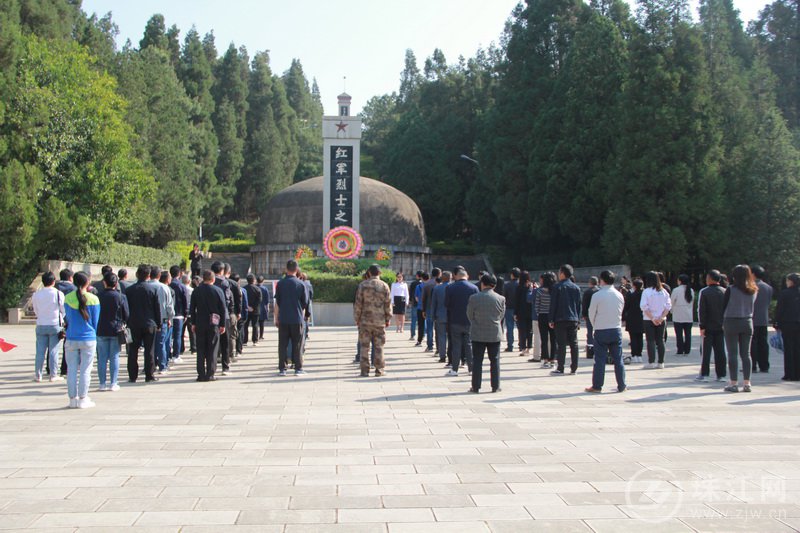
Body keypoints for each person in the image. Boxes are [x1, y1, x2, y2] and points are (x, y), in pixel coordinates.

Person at [585, 270, 626, 393]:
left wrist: (595, 325)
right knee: (618, 359)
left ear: (602, 280)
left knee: (600, 360)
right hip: (616, 329)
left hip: (601, 329)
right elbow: (621, 311)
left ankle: (597, 385)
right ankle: (622, 385)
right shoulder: (619, 295)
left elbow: (591, 313)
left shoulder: (597, 295)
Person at [63, 272, 100, 409]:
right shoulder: (94, 299)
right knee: (86, 370)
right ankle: (83, 398)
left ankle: (72, 399)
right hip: (88, 337)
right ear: (87, 282)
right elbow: (95, 321)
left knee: (71, 369)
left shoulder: (67, 298)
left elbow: (66, 318)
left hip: (71, 337)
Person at [467, 273, 505, 393]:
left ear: (482, 284)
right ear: (494, 285)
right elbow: (501, 316)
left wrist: (476, 322)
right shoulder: (501, 298)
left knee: (477, 360)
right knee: (495, 360)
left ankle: (476, 386)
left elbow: (469, 315)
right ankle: (495, 386)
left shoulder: (474, 298)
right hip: (494, 332)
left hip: (478, 332)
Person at [723, 264, 758, 393]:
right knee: (746, 354)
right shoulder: (753, 290)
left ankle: (733, 383)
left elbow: (724, 306)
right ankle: (747, 383)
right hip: (747, 321)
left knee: (732, 353)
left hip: (731, 321)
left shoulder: (730, 289)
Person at [125, 264, 162, 383]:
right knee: (149, 350)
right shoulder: (153, 289)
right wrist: (159, 323)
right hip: (149, 324)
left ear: (137, 274)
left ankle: (132, 375)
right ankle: (149, 375)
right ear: (149, 276)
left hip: (133, 323)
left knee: (133, 350)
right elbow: (157, 308)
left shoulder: (129, 290)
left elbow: (126, 308)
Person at [354, 264, 392, 377]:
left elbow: (358, 303)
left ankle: (364, 370)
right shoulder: (384, 286)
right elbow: (388, 304)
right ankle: (379, 370)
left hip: (365, 321)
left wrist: (357, 318)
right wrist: (388, 318)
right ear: (380, 273)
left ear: (369, 273)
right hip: (379, 321)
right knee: (379, 346)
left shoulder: (362, 285)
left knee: (364, 346)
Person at [191, 269, 228, 382]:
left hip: (200, 322)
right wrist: (223, 324)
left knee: (201, 348)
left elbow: (192, 308)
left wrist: (193, 323)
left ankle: (201, 373)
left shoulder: (196, 291)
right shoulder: (218, 290)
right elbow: (222, 308)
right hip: (214, 323)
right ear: (213, 279)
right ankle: (210, 373)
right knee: (212, 348)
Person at [274, 260, 309, 376]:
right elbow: (305, 304)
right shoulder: (301, 284)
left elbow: (277, 303)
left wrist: (276, 318)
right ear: (297, 269)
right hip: (297, 318)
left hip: (283, 318)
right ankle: (298, 368)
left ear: (286, 269)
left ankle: (282, 369)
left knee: (282, 344)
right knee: (297, 344)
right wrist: (302, 318)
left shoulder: (280, 284)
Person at [96, 272, 129, 392]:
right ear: (116, 283)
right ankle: (113, 382)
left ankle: (102, 383)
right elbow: (126, 314)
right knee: (114, 356)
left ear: (104, 282)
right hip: (116, 329)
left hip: (101, 329)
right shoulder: (121, 296)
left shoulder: (98, 296)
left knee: (102, 358)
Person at [445, 266, 479, 376]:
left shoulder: (450, 288)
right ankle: (471, 368)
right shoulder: (474, 288)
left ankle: (455, 369)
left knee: (456, 345)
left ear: (456, 276)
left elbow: (446, 304)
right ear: (467, 276)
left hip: (454, 320)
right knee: (469, 345)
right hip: (469, 321)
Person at [31, 271, 65, 383]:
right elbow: (62, 310)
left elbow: (35, 310)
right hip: (54, 324)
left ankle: (38, 375)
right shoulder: (58, 293)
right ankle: (53, 374)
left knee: (40, 351)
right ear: (53, 281)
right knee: (53, 351)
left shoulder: (36, 294)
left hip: (41, 324)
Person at [549, 264, 582, 375]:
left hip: (560, 318)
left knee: (561, 344)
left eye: (559, 272)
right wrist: (578, 320)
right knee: (574, 344)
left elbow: (553, 305)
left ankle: (561, 367)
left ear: (563, 273)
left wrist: (551, 319)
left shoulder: (557, 287)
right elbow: (578, 305)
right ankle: (574, 368)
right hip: (573, 318)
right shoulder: (576, 288)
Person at [696, 270, 727, 382]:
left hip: (708, 327)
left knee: (706, 351)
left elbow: (702, 310)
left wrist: (701, 326)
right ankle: (721, 374)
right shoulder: (725, 291)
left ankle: (704, 374)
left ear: (710, 279)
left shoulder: (704, 292)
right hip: (721, 326)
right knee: (720, 351)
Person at [640, 271, 672, 369]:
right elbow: (668, 305)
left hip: (649, 319)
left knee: (650, 341)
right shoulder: (663, 291)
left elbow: (643, 306)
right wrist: (662, 317)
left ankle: (651, 362)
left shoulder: (647, 291)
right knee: (660, 340)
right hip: (661, 319)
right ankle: (661, 362)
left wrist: (653, 318)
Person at [775, 273, 800, 381]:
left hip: (788, 324)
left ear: (791, 281)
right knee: (798, 348)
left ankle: (789, 374)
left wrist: (777, 323)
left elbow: (780, 310)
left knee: (789, 349)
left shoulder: (785, 293)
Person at [211, 261, 234, 375]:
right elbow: (228, 299)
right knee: (225, 342)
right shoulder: (224, 283)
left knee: (212, 341)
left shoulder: (208, 281)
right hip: (223, 315)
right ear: (222, 271)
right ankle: (225, 366)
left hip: (211, 315)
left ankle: (212, 365)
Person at [751, 266, 773, 373]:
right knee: (763, 343)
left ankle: (753, 365)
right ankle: (764, 366)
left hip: (752, 318)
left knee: (752, 343)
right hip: (763, 319)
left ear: (753, 274)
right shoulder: (768, 287)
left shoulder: (751, 287)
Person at [155, 269, 175, 373]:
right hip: (163, 320)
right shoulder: (165, 288)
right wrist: (170, 317)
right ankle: (162, 365)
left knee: (151, 344)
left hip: (149, 320)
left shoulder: (145, 286)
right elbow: (169, 306)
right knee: (162, 343)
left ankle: (150, 365)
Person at [535, 272, 557, 368]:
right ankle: (553, 359)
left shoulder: (540, 291)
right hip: (553, 317)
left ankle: (545, 359)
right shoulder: (555, 291)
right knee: (553, 339)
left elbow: (537, 306)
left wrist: (539, 313)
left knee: (544, 339)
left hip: (542, 316)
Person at [670, 274, 694, 355]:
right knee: (688, 334)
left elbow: (672, 301)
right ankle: (687, 350)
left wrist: (671, 310)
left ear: (680, 281)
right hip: (688, 315)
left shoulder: (676, 290)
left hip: (678, 315)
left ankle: (680, 349)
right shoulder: (691, 290)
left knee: (679, 334)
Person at [622, 278, 645, 364]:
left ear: (634, 286)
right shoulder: (644, 294)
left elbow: (626, 306)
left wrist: (623, 317)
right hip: (641, 317)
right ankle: (639, 355)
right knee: (640, 337)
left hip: (631, 317)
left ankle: (634, 354)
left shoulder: (630, 294)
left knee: (633, 337)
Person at [431, 271, 452, 363]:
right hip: (452, 316)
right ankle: (452, 356)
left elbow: (433, 304)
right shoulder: (453, 287)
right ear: (450, 278)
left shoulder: (437, 288)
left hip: (440, 315)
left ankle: (442, 356)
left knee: (441, 336)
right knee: (452, 337)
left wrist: (432, 316)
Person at [169, 266, 189, 363]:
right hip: (179, 314)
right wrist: (186, 313)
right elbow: (185, 300)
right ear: (180, 274)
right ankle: (176, 355)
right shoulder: (181, 286)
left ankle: (168, 354)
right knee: (178, 335)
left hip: (168, 314)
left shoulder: (167, 284)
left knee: (168, 336)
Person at [514, 271, 534, 358]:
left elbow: (516, 301)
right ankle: (529, 348)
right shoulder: (531, 286)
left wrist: (515, 313)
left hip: (521, 312)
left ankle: (523, 348)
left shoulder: (518, 287)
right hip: (530, 312)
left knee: (522, 331)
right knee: (529, 330)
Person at [421, 267, 441, 352]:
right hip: (439, 308)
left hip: (429, 307)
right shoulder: (440, 283)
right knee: (439, 328)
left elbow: (423, 298)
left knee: (429, 327)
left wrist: (423, 310)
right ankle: (439, 347)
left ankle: (430, 346)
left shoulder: (427, 284)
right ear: (439, 274)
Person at [503, 268, 520, 352]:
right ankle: (521, 345)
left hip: (509, 308)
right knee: (520, 327)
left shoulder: (507, 285)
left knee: (509, 327)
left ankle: (510, 346)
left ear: (512, 275)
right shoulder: (521, 285)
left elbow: (504, 297)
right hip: (519, 309)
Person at [581, 277, 599, 360]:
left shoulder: (587, 292)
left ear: (589, 283)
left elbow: (584, 304)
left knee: (590, 331)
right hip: (599, 314)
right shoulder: (599, 291)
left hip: (589, 315)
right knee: (598, 331)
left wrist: (584, 314)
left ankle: (590, 347)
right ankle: (598, 346)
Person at [244, 274, 263, 346]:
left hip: (246, 309)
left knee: (245, 325)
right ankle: (255, 340)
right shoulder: (258, 289)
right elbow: (259, 300)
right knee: (255, 325)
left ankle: (245, 340)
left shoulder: (244, 288)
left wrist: (248, 307)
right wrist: (253, 307)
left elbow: (242, 299)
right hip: (255, 310)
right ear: (254, 280)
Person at [414, 272, 429, 346]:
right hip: (429, 308)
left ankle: (419, 340)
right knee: (430, 324)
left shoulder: (418, 286)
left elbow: (416, 298)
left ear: (422, 278)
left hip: (420, 307)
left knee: (420, 324)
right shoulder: (431, 286)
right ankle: (430, 341)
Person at [182, 274, 195, 354]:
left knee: (181, 332)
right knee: (192, 332)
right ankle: (193, 347)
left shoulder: (180, 289)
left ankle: (181, 348)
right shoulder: (192, 290)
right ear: (189, 281)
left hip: (181, 313)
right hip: (190, 312)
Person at [408, 271, 423, 340]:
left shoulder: (413, 283)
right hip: (422, 304)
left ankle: (412, 335)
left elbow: (410, 294)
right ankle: (423, 334)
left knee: (413, 320)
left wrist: (410, 301)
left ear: (417, 275)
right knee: (423, 320)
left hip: (414, 303)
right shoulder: (424, 284)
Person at [257, 276, 273, 341]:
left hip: (255, 307)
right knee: (261, 323)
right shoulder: (265, 289)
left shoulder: (255, 287)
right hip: (263, 307)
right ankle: (261, 335)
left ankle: (255, 335)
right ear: (263, 281)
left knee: (255, 323)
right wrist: (268, 307)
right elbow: (267, 300)